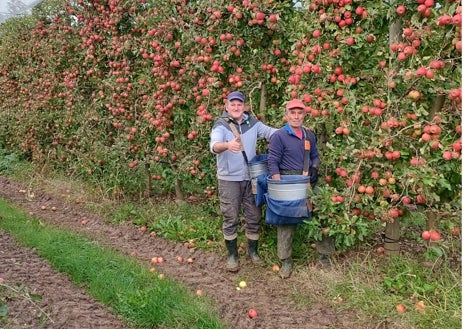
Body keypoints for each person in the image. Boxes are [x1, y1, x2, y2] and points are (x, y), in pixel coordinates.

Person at [210, 91, 277, 272]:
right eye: (233, 104)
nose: (236, 107)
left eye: (239, 104)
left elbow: (272, 132)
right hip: (229, 180)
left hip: (251, 178)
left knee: (254, 216)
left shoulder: (253, 124)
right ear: (227, 106)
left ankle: (253, 252)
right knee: (230, 216)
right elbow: (214, 145)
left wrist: (293, 131)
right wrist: (227, 145)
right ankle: (232, 256)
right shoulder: (221, 125)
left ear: (244, 106)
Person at [267, 98, 321, 279]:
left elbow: (315, 156)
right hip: (288, 180)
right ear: (287, 115)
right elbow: (272, 162)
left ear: (304, 115)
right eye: (293, 113)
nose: (296, 116)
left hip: (306, 180)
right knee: (286, 220)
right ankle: (286, 260)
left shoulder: (308, 135)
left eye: (300, 113)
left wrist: (314, 168)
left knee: (324, 210)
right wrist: (279, 185)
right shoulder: (279, 136)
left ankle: (324, 254)